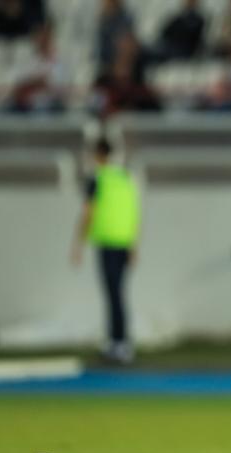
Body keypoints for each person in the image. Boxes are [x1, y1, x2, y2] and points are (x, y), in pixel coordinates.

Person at [70, 138, 140, 364]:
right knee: (117, 293)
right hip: (123, 241)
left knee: (113, 294)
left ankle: (118, 343)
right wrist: (134, 245)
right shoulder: (124, 178)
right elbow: (134, 213)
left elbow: (88, 212)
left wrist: (78, 243)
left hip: (108, 242)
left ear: (99, 155)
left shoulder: (98, 179)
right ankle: (118, 342)